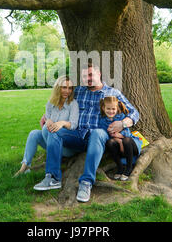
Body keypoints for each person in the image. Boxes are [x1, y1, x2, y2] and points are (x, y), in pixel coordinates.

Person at [33, 62, 139, 203]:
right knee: (52, 130)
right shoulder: (78, 92)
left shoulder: (112, 93)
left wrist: (122, 123)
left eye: (90, 75)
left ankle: (86, 182)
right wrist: (47, 117)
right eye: (84, 76)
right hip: (77, 135)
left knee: (96, 133)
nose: (87, 79)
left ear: (99, 74)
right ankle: (53, 177)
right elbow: (60, 104)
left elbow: (134, 113)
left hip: (98, 136)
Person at [14, 75, 80, 177]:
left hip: (66, 146)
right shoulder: (50, 103)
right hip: (51, 142)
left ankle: (52, 169)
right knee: (34, 133)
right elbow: (48, 120)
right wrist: (48, 120)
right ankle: (25, 167)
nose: (67, 91)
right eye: (64, 87)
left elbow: (74, 125)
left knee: (46, 128)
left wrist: (62, 123)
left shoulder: (73, 104)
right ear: (58, 88)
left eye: (70, 88)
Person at [99, 96, 142, 181]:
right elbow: (107, 135)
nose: (111, 111)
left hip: (130, 144)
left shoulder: (121, 117)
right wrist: (119, 141)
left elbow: (127, 134)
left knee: (126, 140)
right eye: (108, 109)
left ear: (117, 108)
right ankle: (120, 167)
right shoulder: (103, 121)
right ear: (103, 108)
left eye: (113, 109)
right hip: (118, 146)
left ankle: (129, 168)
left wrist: (120, 137)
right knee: (109, 142)